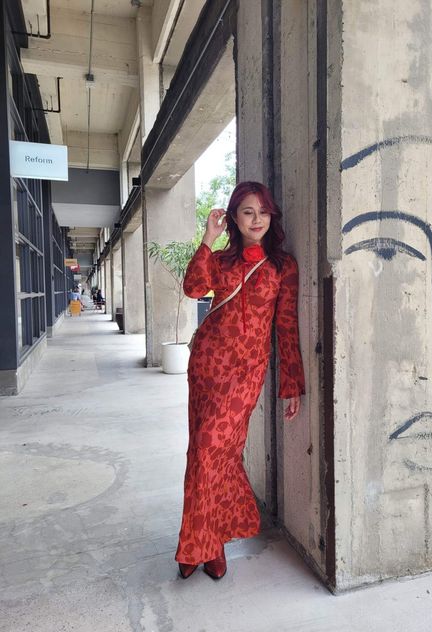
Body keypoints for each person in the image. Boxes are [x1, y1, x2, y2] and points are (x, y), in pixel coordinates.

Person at [175, 181, 305, 580]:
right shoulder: (224, 261)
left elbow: (285, 327)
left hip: (245, 376)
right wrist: (207, 239)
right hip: (207, 368)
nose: (257, 219)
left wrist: (291, 384)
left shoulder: (283, 267)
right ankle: (208, 544)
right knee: (205, 452)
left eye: (264, 212)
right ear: (234, 217)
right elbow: (194, 288)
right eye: (248, 212)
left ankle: (199, 545)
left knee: (212, 450)